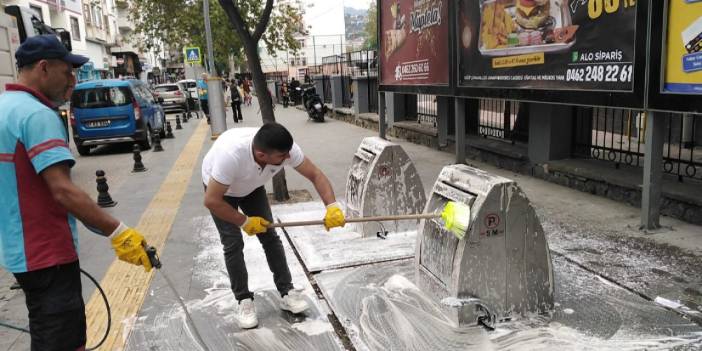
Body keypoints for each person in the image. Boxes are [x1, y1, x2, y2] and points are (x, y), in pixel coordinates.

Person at [0, 35, 152, 351]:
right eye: (68, 71)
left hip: (19, 251)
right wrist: (119, 232)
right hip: (47, 252)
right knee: (63, 341)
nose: (73, 78)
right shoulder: (37, 115)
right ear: (44, 67)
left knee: (47, 333)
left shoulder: (4, 108)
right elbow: (63, 191)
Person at [202, 123, 345, 329]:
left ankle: (287, 292)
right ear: (261, 155)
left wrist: (332, 206)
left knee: (270, 236)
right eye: (281, 157)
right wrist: (244, 221)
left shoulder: (285, 149)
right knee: (233, 243)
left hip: (251, 187)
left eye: (288, 154)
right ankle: (244, 299)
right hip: (221, 192)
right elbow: (211, 201)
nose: (288, 159)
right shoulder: (230, 156)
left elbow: (315, 174)